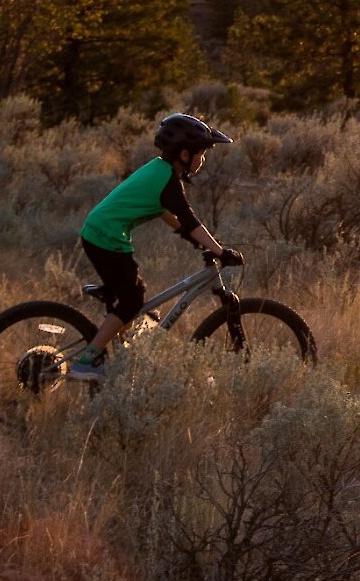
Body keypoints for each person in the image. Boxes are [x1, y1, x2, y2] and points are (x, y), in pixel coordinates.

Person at [67, 113, 243, 380]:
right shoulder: (167, 180)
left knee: (137, 297)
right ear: (185, 154)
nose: (203, 160)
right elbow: (189, 219)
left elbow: (166, 213)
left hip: (98, 231)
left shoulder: (160, 170)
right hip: (107, 236)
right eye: (202, 153)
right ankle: (87, 362)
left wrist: (189, 236)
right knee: (133, 299)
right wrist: (220, 251)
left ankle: (121, 355)